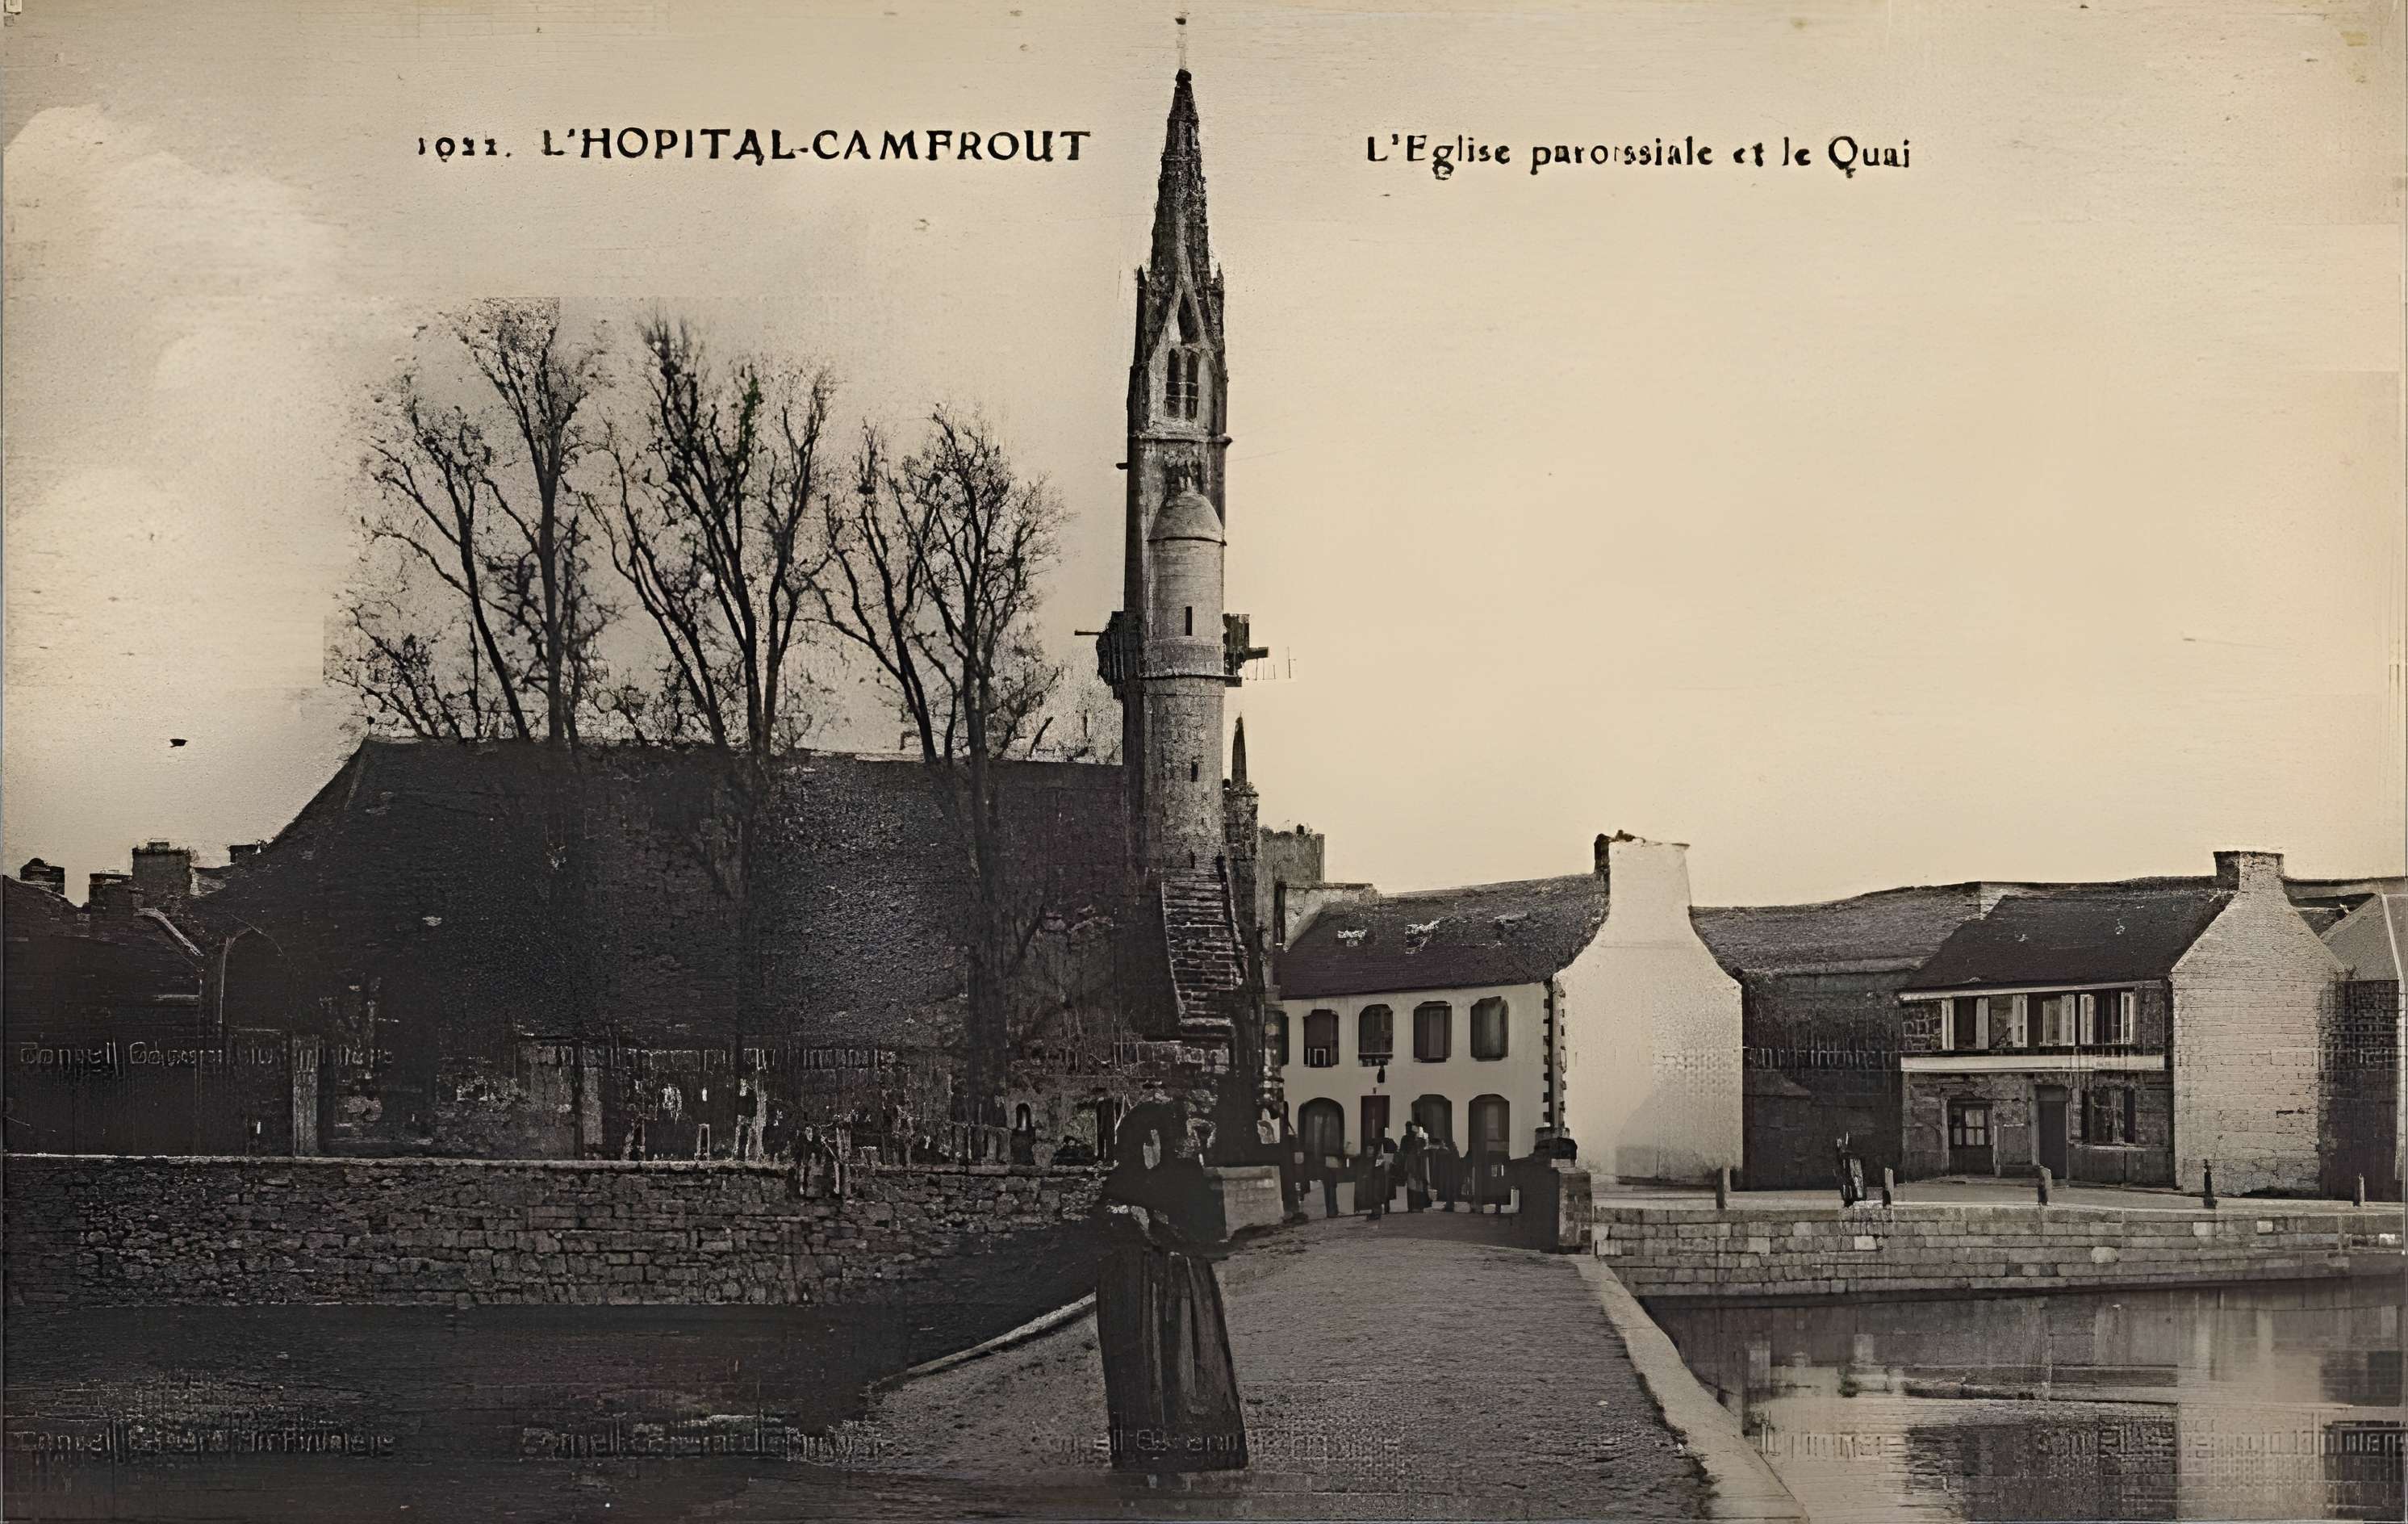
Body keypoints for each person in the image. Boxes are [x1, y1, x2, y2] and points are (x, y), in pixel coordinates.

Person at [1092, 1098, 1248, 1474]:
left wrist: (1158, 1225)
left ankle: (1192, 1443)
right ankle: (1143, 1445)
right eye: (1144, 1140)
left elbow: (1205, 1231)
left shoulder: (1186, 1178)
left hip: (1180, 1284)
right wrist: (1124, 1214)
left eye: (1156, 1138)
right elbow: (1100, 1224)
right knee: (1140, 1364)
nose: (1151, 1147)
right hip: (1132, 1285)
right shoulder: (1123, 1178)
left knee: (1183, 1360)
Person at [1362, 1132, 1396, 1223]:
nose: (1368, 1151)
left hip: (1377, 1172)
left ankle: (1376, 1212)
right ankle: (1381, 1209)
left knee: (1375, 1192)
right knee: (1381, 1191)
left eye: (1370, 1149)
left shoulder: (1377, 1146)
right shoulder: (1386, 1144)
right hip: (1381, 1171)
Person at [1398, 1121, 1431, 1212]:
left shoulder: (1407, 1139)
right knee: (1418, 1186)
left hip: (1412, 1164)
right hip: (1415, 1165)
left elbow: (1402, 1151)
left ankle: (1413, 1206)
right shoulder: (1418, 1141)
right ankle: (1419, 1206)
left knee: (1412, 1187)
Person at [1433, 1133, 1461, 1211]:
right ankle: (1450, 1204)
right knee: (1450, 1189)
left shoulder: (1448, 1152)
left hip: (1450, 1174)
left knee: (1449, 1188)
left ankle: (1450, 1205)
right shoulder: (1453, 1151)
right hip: (1452, 1173)